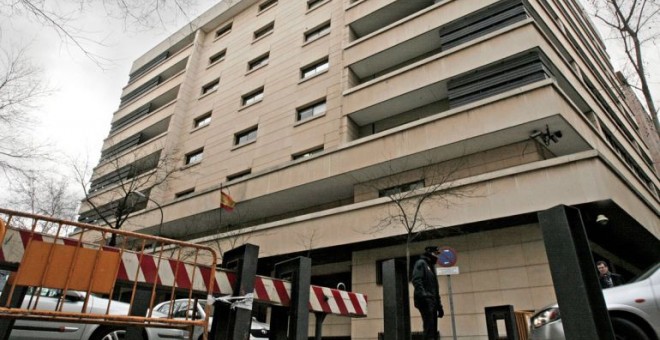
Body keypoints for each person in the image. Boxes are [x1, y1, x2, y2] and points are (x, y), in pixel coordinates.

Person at [412, 246, 444, 340]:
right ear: (430, 253)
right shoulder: (421, 263)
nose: (437, 256)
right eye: (436, 254)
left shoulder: (431, 267)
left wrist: (439, 306)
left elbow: (435, 289)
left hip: (432, 302)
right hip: (425, 301)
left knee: (433, 330)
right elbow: (416, 280)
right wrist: (424, 296)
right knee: (429, 329)